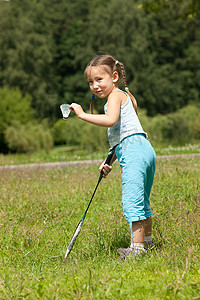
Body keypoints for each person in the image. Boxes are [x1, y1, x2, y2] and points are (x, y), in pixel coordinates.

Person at [70, 54, 156, 259]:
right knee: (142, 201)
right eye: (91, 82)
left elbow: (110, 121)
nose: (95, 86)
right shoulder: (121, 97)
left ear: (114, 77)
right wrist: (108, 161)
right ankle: (148, 243)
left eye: (99, 79)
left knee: (132, 201)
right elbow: (123, 137)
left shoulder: (115, 96)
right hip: (143, 149)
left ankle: (137, 250)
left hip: (134, 151)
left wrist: (82, 115)